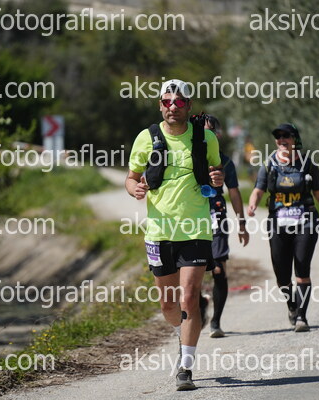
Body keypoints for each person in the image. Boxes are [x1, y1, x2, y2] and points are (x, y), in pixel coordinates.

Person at [125, 79, 224, 390]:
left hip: (196, 229)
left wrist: (217, 178)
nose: (173, 107)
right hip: (159, 233)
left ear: (189, 106)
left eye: (179, 102)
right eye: (167, 101)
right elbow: (131, 177)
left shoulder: (206, 137)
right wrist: (135, 189)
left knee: (189, 296)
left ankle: (186, 367)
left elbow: (216, 172)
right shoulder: (146, 138)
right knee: (169, 306)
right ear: (160, 106)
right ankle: (186, 326)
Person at [247, 123, 319, 332]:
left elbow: (318, 192)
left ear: (295, 139)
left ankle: (302, 317)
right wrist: (252, 204)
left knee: (302, 268)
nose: (282, 140)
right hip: (278, 224)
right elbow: (258, 190)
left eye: (286, 136)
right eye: (278, 136)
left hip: (305, 221)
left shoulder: (307, 164)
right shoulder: (269, 165)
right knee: (282, 276)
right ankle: (292, 305)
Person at [200, 114, 249, 338]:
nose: (205, 136)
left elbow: (234, 192)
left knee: (218, 269)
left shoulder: (226, 162)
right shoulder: (186, 157)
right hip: (190, 218)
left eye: (210, 132)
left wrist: (242, 224)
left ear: (217, 136)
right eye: (201, 132)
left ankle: (216, 322)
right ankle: (199, 304)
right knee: (191, 270)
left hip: (215, 214)